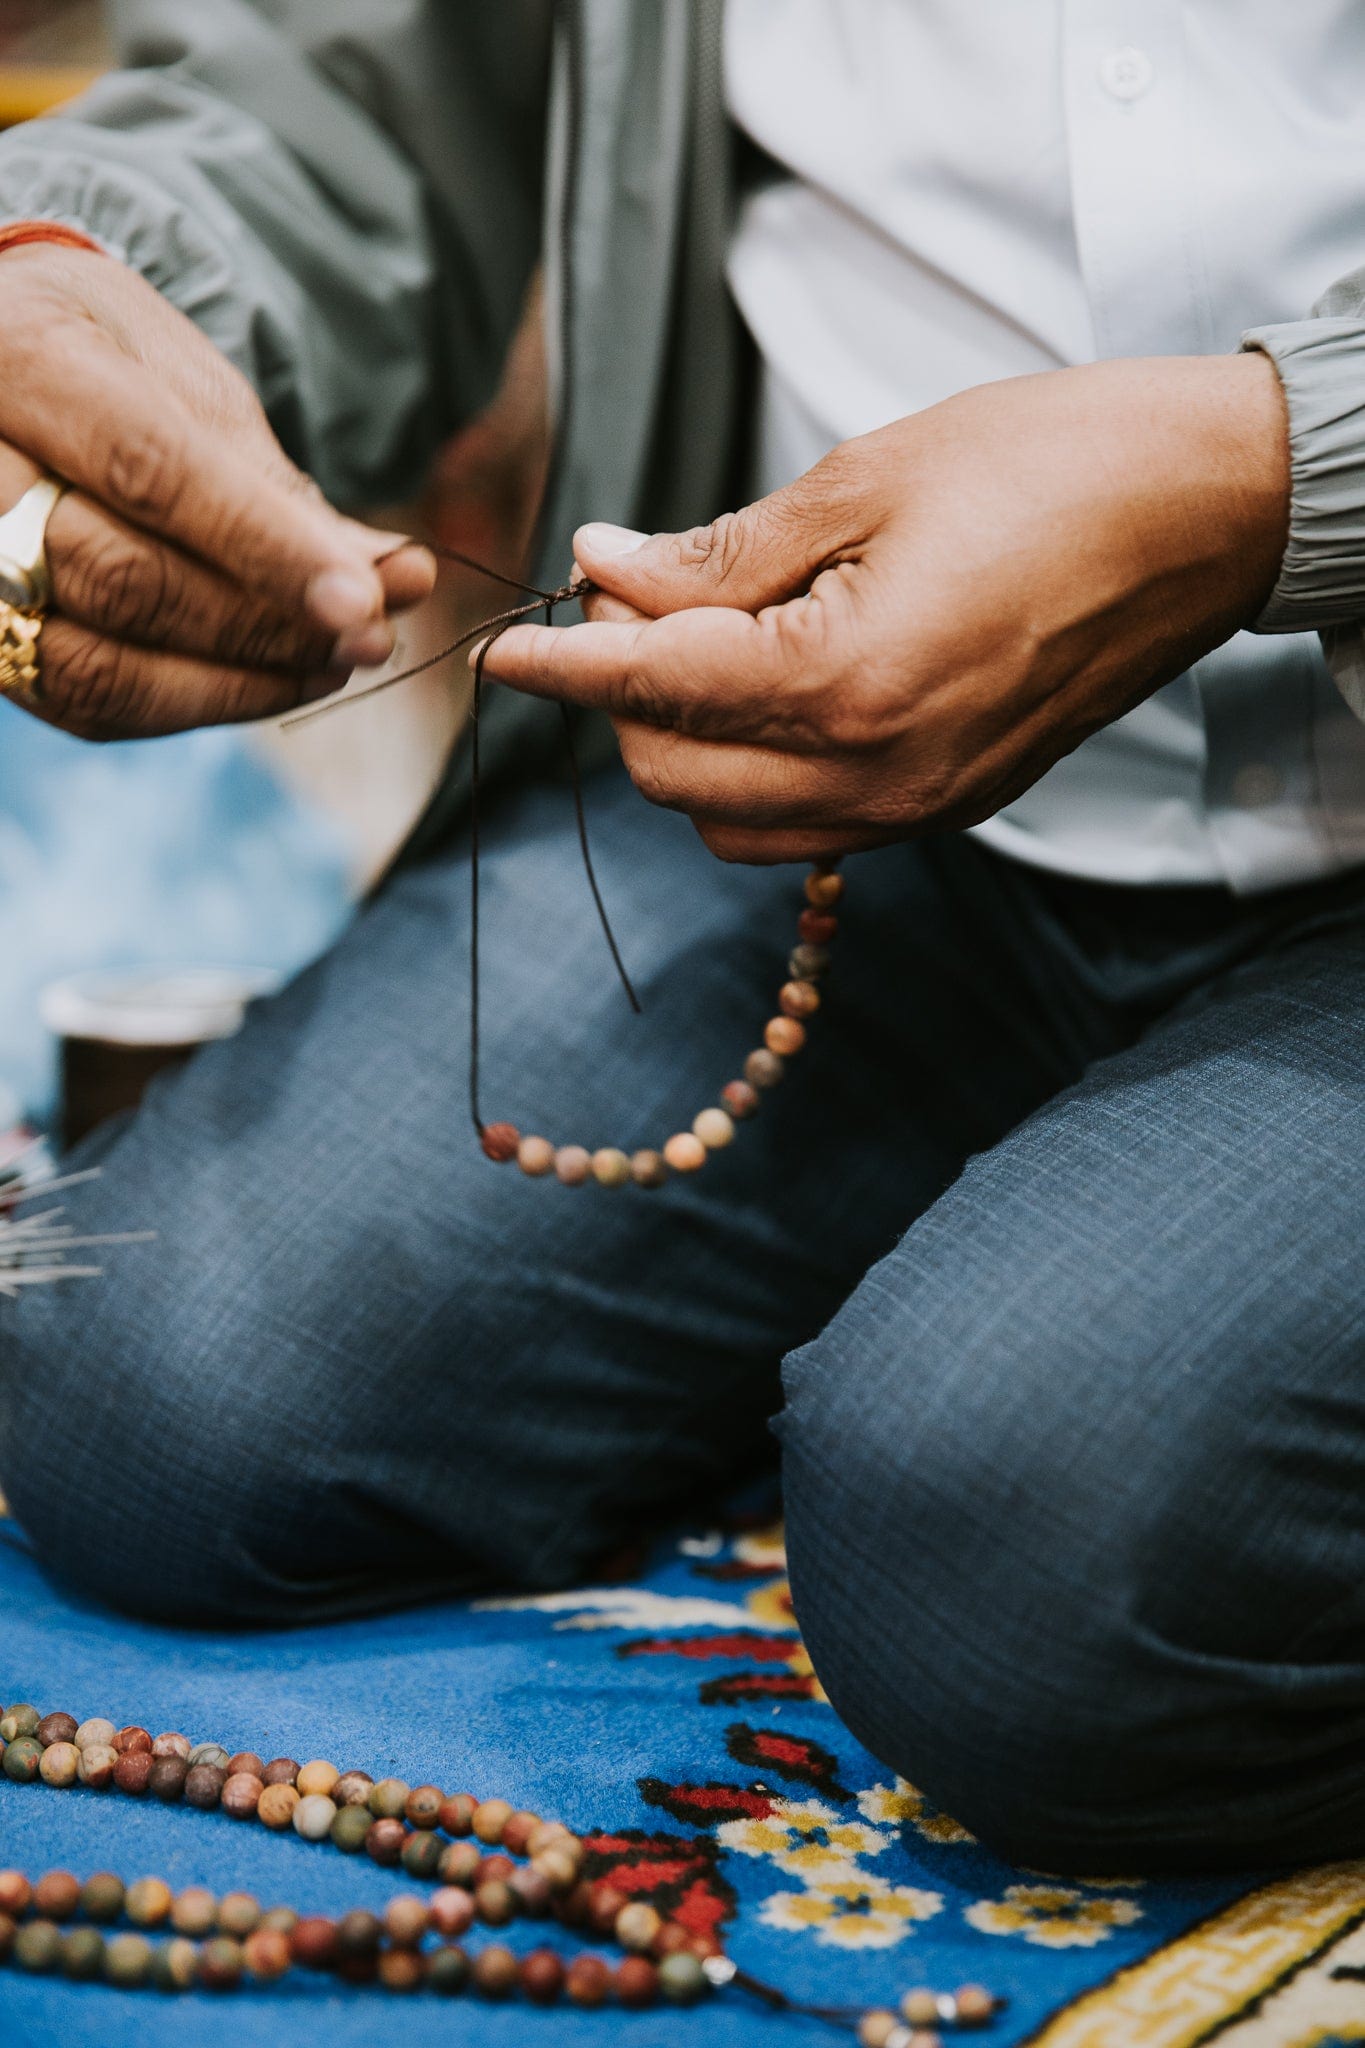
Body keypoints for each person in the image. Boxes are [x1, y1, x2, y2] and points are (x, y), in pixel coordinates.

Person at [1, 0, 1365, 1876]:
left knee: (1020, 1581)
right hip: (807, 812)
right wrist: (85, 274)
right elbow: (356, 82)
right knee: (151, 1405)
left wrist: (1282, 471)